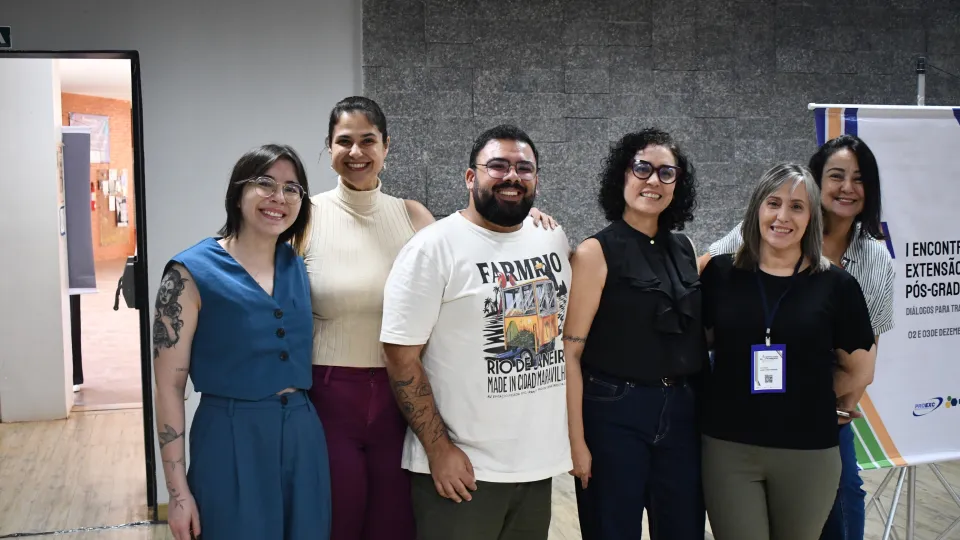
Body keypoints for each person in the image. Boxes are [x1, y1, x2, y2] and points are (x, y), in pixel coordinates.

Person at [303, 97, 557, 540]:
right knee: (334, 521)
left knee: (394, 525)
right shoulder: (304, 216)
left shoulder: (412, 215)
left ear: (387, 147)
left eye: (369, 140)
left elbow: (470, 252)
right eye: (344, 141)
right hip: (329, 393)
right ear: (328, 148)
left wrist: (523, 218)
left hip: (393, 401)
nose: (357, 152)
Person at [378, 124, 573, 540]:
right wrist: (438, 450)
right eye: (497, 166)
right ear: (470, 177)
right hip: (462, 472)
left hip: (537, 467)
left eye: (525, 168)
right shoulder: (433, 248)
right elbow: (400, 357)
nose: (512, 177)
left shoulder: (551, 238)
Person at [700, 135, 894, 540]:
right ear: (756, 210)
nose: (782, 216)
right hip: (728, 448)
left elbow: (860, 368)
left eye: (797, 206)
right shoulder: (720, 274)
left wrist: (812, 397)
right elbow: (697, 346)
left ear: (811, 219)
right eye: (773, 203)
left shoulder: (838, 286)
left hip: (809, 449)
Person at [153, 144, 331, 540]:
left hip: (303, 434)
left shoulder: (296, 264)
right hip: (230, 436)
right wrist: (177, 493)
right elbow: (168, 387)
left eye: (292, 188)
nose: (278, 198)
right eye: (264, 183)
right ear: (238, 192)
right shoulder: (188, 273)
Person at [562, 129, 707, 540]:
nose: (653, 180)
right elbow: (570, 355)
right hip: (615, 411)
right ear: (622, 175)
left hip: (680, 410)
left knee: (683, 530)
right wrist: (577, 443)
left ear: (678, 185)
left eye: (666, 173)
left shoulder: (684, 248)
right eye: (642, 167)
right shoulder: (594, 252)